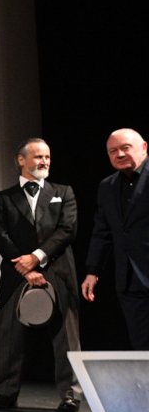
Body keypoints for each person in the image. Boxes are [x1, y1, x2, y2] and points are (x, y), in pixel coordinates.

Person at [0, 139, 83, 412]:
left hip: (58, 271)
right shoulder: (3, 198)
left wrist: (38, 257)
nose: (44, 162)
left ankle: (70, 395)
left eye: (47, 157)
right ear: (21, 160)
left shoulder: (63, 192)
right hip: (17, 274)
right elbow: (0, 235)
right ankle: (6, 393)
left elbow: (67, 230)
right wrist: (27, 268)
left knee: (67, 337)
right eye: (38, 157)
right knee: (9, 337)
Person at [83, 128, 149, 350]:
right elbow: (102, 232)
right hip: (129, 280)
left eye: (125, 148)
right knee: (141, 344)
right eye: (113, 151)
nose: (119, 154)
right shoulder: (107, 186)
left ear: (144, 148)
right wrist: (93, 271)